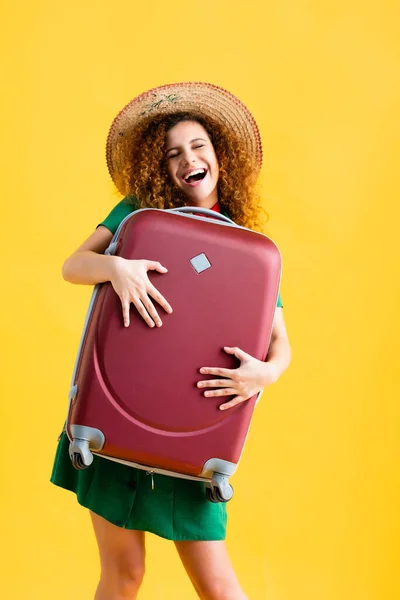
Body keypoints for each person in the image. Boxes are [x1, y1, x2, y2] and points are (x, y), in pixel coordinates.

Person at [51, 82, 292, 600]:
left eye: (198, 146)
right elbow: (74, 266)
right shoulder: (137, 215)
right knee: (124, 573)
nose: (188, 159)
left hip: (195, 436)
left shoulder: (247, 249)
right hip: (117, 421)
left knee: (217, 585)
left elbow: (280, 345)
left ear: (219, 154)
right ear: (160, 167)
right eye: (173, 153)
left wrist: (263, 374)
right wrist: (116, 267)